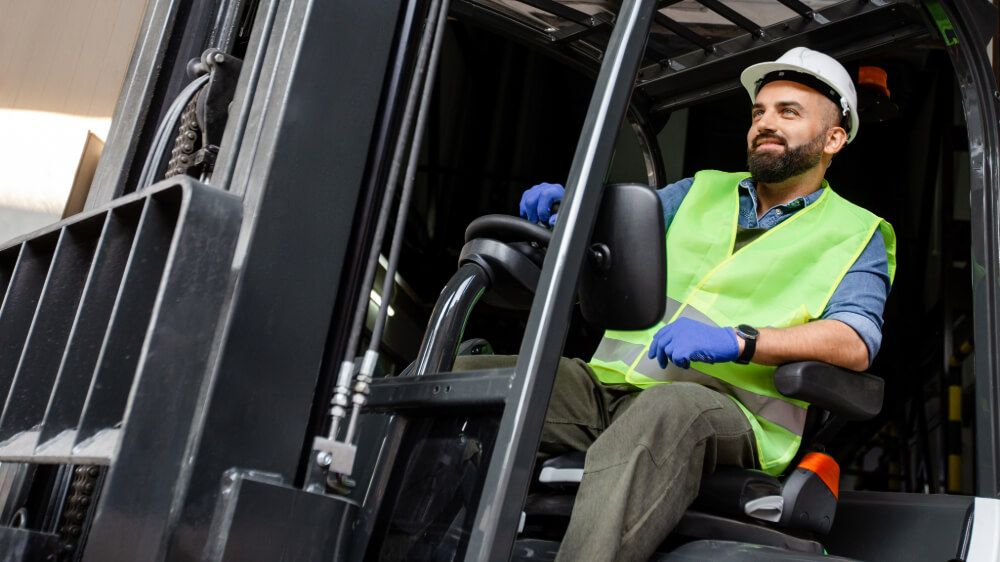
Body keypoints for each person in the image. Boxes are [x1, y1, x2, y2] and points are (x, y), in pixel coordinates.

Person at [461, 47, 896, 561]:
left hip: (728, 413)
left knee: (668, 409)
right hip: (609, 389)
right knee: (464, 378)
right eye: (759, 112)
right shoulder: (699, 190)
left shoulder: (856, 233)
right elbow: (615, 235)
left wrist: (739, 341)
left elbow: (855, 340)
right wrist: (572, 211)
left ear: (833, 139)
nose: (765, 123)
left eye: (788, 112)